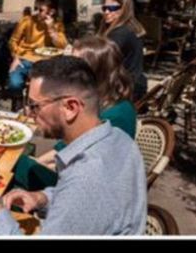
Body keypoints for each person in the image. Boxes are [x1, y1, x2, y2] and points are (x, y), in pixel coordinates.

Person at [0, 55, 147, 235]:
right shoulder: (117, 137)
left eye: (35, 105)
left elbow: (82, 194)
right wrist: (43, 198)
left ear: (70, 108)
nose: (28, 112)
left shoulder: (87, 180)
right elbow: (75, 197)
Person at [13, 35, 137, 191]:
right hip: (71, 172)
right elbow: (63, 150)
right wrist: (37, 162)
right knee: (21, 163)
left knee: (16, 168)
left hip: (81, 186)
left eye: (73, 65)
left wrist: (34, 166)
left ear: (93, 71)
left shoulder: (116, 117)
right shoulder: (102, 99)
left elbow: (88, 174)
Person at [8, 0, 68, 110]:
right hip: (25, 58)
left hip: (46, 62)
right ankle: (19, 104)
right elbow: (13, 41)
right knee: (14, 83)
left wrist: (51, 29)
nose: (38, 13)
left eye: (41, 10)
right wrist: (16, 57)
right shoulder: (27, 21)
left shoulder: (57, 24)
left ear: (51, 12)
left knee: (48, 87)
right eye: (37, 9)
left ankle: (38, 108)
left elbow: (62, 45)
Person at [98, 0, 148, 101]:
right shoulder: (131, 26)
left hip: (123, 89)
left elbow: (103, 62)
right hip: (135, 83)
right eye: (104, 8)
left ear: (124, 9)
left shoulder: (120, 33)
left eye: (112, 8)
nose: (106, 12)